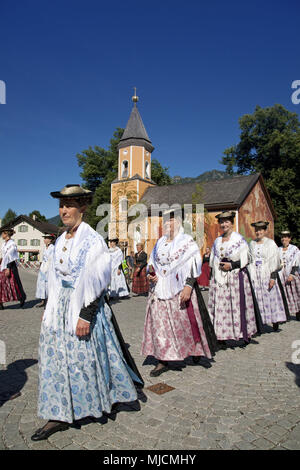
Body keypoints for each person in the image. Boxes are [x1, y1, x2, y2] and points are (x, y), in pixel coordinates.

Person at [31, 184, 143, 441]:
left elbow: (96, 283)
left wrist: (85, 315)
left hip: (83, 308)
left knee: (84, 360)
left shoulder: (93, 240)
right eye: (61, 205)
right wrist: (50, 308)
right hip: (60, 307)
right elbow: (56, 279)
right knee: (57, 359)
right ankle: (57, 412)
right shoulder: (61, 239)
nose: (63, 210)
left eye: (69, 205)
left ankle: (91, 403)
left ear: (83, 207)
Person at [141, 209, 217, 377]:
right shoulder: (160, 242)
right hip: (159, 291)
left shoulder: (187, 241)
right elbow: (151, 263)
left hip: (179, 289)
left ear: (180, 223)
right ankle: (162, 359)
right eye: (166, 221)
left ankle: (195, 350)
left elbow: (194, 263)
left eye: (172, 220)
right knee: (160, 326)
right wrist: (150, 274)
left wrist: (189, 286)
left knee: (185, 324)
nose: (168, 223)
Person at [208, 211, 263, 348]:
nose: (224, 224)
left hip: (234, 277)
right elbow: (212, 260)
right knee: (220, 306)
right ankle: (221, 336)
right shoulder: (217, 241)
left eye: (227, 221)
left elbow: (247, 259)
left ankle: (243, 333)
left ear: (232, 223)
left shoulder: (239, 240)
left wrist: (232, 265)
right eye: (221, 222)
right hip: (220, 278)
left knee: (236, 306)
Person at [248, 221, 290, 331]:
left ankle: (275, 320)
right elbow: (249, 258)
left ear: (265, 231)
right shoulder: (252, 243)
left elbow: (275, 261)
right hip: (255, 273)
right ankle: (259, 321)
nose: (258, 232)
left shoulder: (270, 243)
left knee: (270, 297)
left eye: (261, 229)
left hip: (266, 272)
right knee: (257, 297)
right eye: (256, 230)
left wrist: (272, 277)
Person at [0, 228, 26, 310]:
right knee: (1, 284)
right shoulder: (4, 244)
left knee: (14, 283)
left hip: (10, 266)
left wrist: (8, 268)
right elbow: (4, 256)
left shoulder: (12, 244)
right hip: (3, 265)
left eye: (3, 233)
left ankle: (21, 297)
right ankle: (1, 302)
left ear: (6, 234)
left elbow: (11, 257)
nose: (1, 235)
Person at [278, 231, 300, 321]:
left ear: (289, 238)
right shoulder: (278, 249)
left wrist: (292, 274)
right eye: (282, 237)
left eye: (286, 237)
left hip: (292, 274)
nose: (284, 239)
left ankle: (298, 313)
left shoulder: (294, 249)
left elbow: (297, 262)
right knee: (285, 295)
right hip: (281, 275)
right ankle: (286, 314)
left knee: (296, 294)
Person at [35, 233, 56, 308]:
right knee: (41, 284)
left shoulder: (52, 248)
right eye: (44, 238)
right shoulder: (44, 248)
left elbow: (52, 259)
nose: (45, 240)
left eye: (46, 238)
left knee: (48, 284)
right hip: (43, 267)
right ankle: (42, 300)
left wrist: (48, 267)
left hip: (49, 267)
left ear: (50, 240)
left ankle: (48, 301)